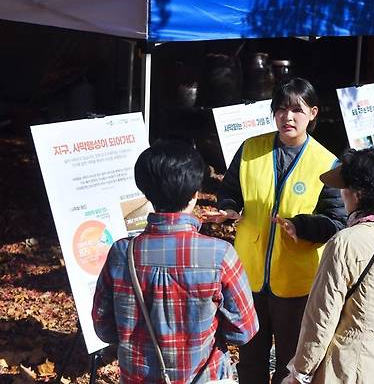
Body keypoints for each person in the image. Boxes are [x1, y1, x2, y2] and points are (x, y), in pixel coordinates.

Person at [207, 77, 347, 384]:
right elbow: (230, 190)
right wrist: (230, 207)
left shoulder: (326, 163)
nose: (288, 117)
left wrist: (302, 226)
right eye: (281, 109)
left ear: (312, 113)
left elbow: (337, 221)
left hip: (297, 282)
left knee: (291, 363)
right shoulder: (250, 149)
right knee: (250, 361)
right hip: (250, 278)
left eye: (297, 109)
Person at [92, 140, 258, 383]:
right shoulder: (220, 255)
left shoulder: (122, 253)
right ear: (195, 196)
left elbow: (104, 327)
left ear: (146, 193)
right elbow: (244, 330)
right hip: (205, 377)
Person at [284, 148, 374, 384]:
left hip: (350, 368)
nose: (341, 194)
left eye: (344, 187)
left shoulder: (344, 243)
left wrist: (301, 371)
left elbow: (321, 318)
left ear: (357, 194)